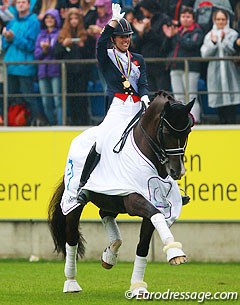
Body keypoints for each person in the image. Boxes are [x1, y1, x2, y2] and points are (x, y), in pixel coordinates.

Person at [77, 3, 150, 204]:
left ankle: (166, 186)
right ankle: (85, 184)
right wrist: (111, 23)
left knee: (154, 140)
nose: (125, 40)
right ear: (114, 39)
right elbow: (99, 44)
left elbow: (143, 82)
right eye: (121, 37)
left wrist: (145, 95)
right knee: (101, 141)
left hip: (137, 104)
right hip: (118, 105)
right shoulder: (107, 56)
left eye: (128, 36)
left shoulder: (138, 59)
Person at [2, 0, 45, 125]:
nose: (20, 4)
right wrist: (8, 39)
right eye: (18, 2)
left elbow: (31, 45)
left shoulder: (34, 22)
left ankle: (38, 121)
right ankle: (12, 121)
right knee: (10, 97)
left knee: (29, 97)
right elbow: (4, 44)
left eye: (23, 2)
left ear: (28, 5)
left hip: (25, 67)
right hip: (10, 66)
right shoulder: (11, 22)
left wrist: (13, 38)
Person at [200, 9, 240, 124]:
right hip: (215, 71)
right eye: (218, 19)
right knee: (219, 99)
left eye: (223, 19)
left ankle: (231, 122)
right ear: (214, 20)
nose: (221, 22)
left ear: (227, 20)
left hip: (230, 71)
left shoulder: (232, 33)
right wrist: (213, 43)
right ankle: (221, 121)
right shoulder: (209, 35)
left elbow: (234, 50)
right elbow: (204, 54)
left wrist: (224, 40)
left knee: (231, 99)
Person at [53, 7, 90, 125]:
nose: (74, 21)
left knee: (82, 98)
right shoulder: (62, 35)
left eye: (76, 19)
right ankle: (74, 121)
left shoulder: (85, 35)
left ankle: (84, 121)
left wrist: (82, 46)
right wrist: (64, 45)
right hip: (68, 72)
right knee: (71, 98)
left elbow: (90, 54)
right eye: (71, 19)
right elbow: (57, 54)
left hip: (82, 72)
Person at [168, 6, 204, 123]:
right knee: (178, 97)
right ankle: (181, 121)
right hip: (175, 67)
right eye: (183, 16)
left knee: (191, 95)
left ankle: (194, 120)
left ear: (193, 19)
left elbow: (191, 45)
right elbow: (169, 48)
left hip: (191, 68)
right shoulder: (178, 31)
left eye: (188, 17)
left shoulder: (197, 31)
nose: (185, 19)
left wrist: (176, 35)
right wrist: (170, 36)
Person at [132, 0, 172, 92]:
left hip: (160, 62)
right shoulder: (143, 20)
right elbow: (138, 44)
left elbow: (163, 42)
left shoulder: (163, 20)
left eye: (143, 9)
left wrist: (149, 30)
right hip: (146, 63)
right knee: (150, 94)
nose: (142, 11)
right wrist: (141, 33)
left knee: (163, 93)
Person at [34, 8, 62, 125]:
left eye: (52, 18)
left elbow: (59, 51)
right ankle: (51, 124)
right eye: (47, 18)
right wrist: (44, 51)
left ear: (56, 20)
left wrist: (48, 49)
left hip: (55, 70)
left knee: (58, 100)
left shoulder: (60, 33)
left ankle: (61, 124)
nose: (49, 20)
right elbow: (36, 54)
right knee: (46, 101)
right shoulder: (41, 35)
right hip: (42, 71)